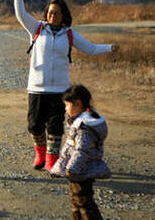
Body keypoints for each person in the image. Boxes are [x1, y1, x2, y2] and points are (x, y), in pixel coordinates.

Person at [13, 0, 118, 172]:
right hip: (37, 87)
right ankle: (40, 154)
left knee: (55, 126)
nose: (53, 15)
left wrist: (110, 48)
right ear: (47, 14)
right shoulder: (36, 28)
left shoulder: (69, 34)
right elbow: (20, 14)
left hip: (60, 89)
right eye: (50, 12)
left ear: (63, 15)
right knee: (35, 125)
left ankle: (52, 161)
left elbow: (91, 48)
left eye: (57, 13)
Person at [50, 85, 110, 220]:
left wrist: (72, 168)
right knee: (76, 201)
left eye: (67, 105)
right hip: (79, 168)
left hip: (82, 169)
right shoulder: (81, 121)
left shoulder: (84, 127)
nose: (65, 109)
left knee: (83, 202)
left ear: (77, 104)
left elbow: (81, 150)